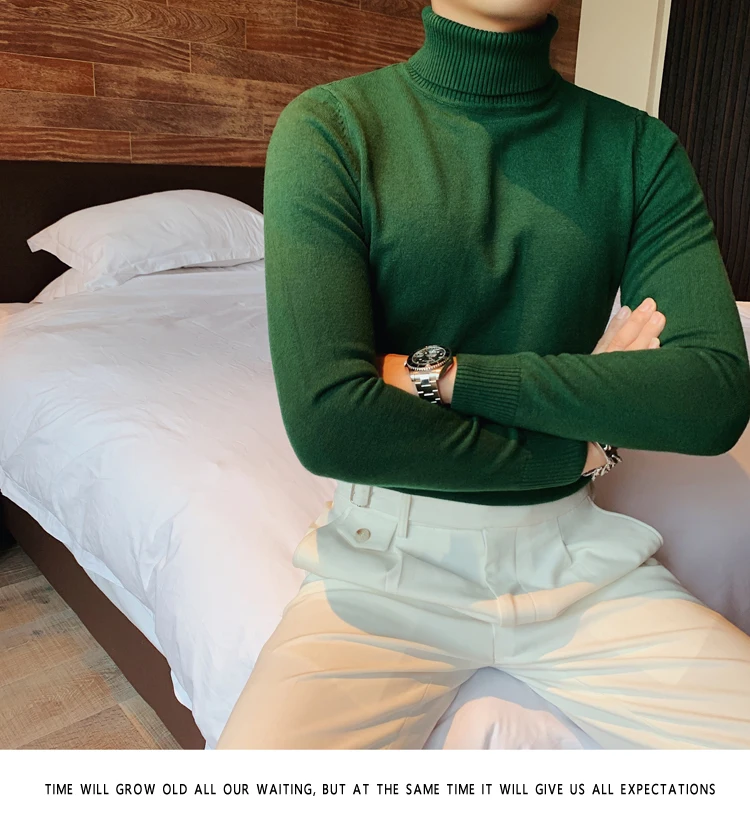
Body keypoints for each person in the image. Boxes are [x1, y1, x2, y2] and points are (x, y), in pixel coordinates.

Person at [216, 0, 750, 749]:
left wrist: (440, 374)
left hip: (579, 561)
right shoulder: (333, 127)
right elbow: (332, 423)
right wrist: (581, 443)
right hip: (385, 567)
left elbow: (713, 396)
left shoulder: (637, 149)